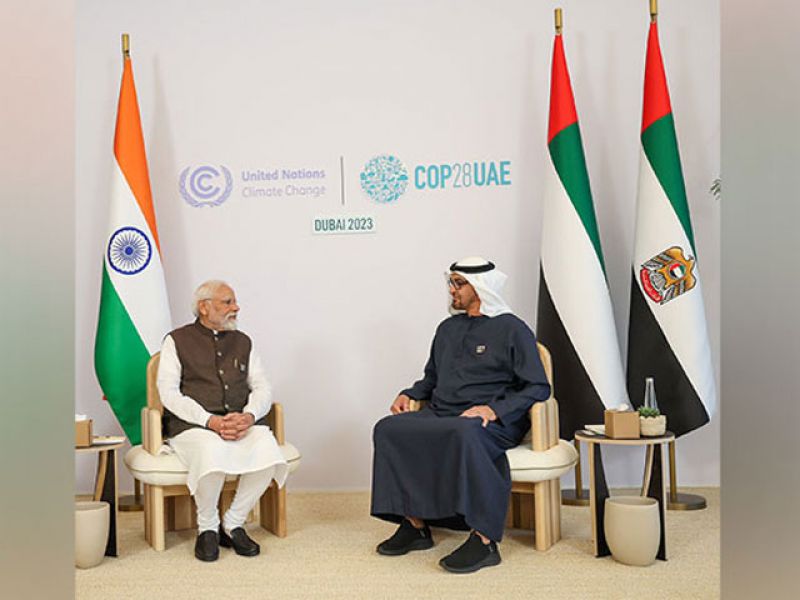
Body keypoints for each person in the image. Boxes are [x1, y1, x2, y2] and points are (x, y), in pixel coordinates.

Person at [370, 257, 551, 573]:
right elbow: (431, 378)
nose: (452, 290)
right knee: (388, 429)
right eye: (450, 283)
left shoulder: (512, 328)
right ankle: (415, 525)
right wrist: (410, 393)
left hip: (490, 420)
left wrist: (494, 409)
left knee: (465, 431)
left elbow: (538, 386)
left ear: (481, 287)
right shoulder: (447, 329)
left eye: (459, 283)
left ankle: (484, 540)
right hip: (442, 412)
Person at [157, 280, 288, 562]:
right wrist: (208, 421)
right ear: (204, 307)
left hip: (240, 423)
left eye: (234, 301)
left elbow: (262, 386)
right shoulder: (176, 340)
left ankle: (234, 522)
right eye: (227, 302)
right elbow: (168, 393)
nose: (236, 307)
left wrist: (249, 416)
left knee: (268, 448)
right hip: (193, 426)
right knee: (211, 449)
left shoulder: (243, 342)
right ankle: (207, 527)